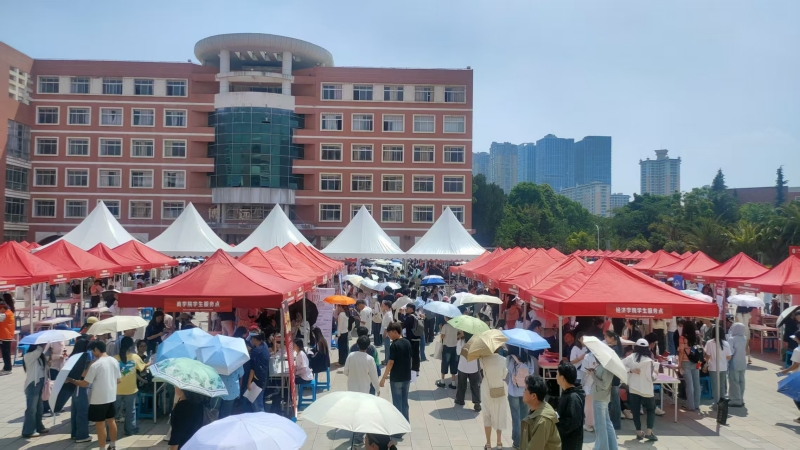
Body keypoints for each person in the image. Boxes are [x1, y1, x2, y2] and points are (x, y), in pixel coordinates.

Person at [66, 340, 121, 450]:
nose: (92, 353)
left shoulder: (95, 365)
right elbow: (119, 380)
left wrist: (71, 380)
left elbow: (84, 383)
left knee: (100, 425)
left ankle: (102, 448)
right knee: (111, 421)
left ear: (96, 349)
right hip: (111, 397)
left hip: (98, 399)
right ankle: (113, 445)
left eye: (92, 351)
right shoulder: (114, 360)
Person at [622, 339, 658, 441]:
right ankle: (649, 432)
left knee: (636, 411)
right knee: (651, 410)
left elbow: (620, 364)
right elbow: (651, 377)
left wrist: (630, 370)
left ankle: (638, 432)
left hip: (634, 388)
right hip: (646, 389)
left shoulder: (631, 357)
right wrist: (656, 373)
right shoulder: (649, 360)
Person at [114, 336, 148, 436]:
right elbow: (142, 367)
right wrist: (149, 363)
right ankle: (130, 430)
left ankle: (110, 432)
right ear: (131, 346)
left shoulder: (115, 358)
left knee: (113, 412)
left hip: (116, 389)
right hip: (130, 389)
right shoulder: (134, 357)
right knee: (130, 411)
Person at [380, 322, 412, 424]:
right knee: (404, 402)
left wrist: (384, 377)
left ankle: (398, 425)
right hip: (406, 377)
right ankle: (406, 422)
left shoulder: (394, 345)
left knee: (397, 402)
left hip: (396, 378)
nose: (389, 336)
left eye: (389, 334)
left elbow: (390, 362)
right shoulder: (407, 342)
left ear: (395, 332)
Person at [479, 347, 509, 450]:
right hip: (499, 389)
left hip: (486, 389)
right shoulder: (503, 360)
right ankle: (499, 442)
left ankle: (488, 443)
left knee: (487, 415)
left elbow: (481, 371)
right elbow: (504, 375)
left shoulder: (483, 359)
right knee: (499, 414)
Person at [520, 374, 561, 450]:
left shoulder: (543, 420)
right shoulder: (536, 409)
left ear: (533, 396)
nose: (523, 393)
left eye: (525, 390)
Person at [507, 345, 536, 449]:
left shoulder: (510, 358)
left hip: (513, 391)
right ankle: (524, 441)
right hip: (525, 392)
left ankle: (517, 443)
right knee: (524, 418)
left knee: (516, 418)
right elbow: (531, 373)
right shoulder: (529, 358)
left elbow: (509, 371)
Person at [587, 360, 618, 450]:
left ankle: (602, 447)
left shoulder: (606, 367)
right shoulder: (603, 366)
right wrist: (594, 372)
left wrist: (593, 375)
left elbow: (604, 385)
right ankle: (612, 447)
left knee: (600, 426)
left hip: (600, 398)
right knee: (606, 424)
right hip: (601, 397)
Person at [555, 361, 585, 450]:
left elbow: (573, 422)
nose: (556, 376)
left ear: (562, 378)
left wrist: (556, 425)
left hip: (571, 443)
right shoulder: (567, 393)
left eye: (557, 374)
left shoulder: (573, 397)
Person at [22, 344, 49, 438]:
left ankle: (39, 427)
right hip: (33, 384)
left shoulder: (40, 356)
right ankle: (28, 431)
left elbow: (45, 369)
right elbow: (37, 352)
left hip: (40, 382)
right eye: (42, 345)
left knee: (39, 407)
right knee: (31, 408)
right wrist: (42, 346)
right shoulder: (28, 356)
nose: (44, 346)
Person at [69, 336, 92, 443]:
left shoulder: (72, 356)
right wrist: (90, 365)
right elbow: (83, 374)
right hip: (81, 385)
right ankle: (82, 435)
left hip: (73, 385)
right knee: (82, 411)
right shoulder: (85, 357)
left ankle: (75, 433)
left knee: (75, 410)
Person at [569, 332, 593, 432]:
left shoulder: (589, 349)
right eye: (582, 338)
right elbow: (571, 361)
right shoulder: (575, 348)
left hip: (587, 377)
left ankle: (586, 419)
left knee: (586, 400)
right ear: (578, 339)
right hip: (578, 375)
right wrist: (581, 358)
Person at [677, 319, 701, 412]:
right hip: (696, 362)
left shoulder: (682, 338)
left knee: (689, 384)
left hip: (685, 362)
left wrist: (679, 364)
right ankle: (696, 404)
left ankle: (690, 405)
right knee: (696, 384)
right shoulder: (697, 337)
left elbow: (681, 351)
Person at [704, 326, 731, 404]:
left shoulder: (709, 343)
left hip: (713, 367)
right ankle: (722, 403)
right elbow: (729, 356)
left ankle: (716, 403)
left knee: (715, 387)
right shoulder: (726, 343)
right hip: (723, 367)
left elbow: (707, 356)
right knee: (722, 386)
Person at [455, 332, 481, 411]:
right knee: (474, 385)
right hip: (473, 367)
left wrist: (458, 340)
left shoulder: (461, 342)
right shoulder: (476, 343)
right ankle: (477, 403)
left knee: (462, 384)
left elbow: (458, 352)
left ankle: (460, 400)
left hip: (463, 367)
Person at [777, 333, 800, 423]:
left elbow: (795, 365)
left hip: (798, 376)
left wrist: (785, 371)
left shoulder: (797, 350)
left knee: (796, 397)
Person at [604, 330, 624, 429]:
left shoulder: (615, 349)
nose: (605, 339)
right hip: (615, 377)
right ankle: (615, 423)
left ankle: (615, 423)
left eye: (606, 337)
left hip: (613, 378)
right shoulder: (616, 348)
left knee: (615, 401)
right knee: (614, 401)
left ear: (612, 338)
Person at [246, 333, 270, 412]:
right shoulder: (264, 345)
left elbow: (252, 369)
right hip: (264, 378)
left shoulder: (255, 353)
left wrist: (249, 383)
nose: (251, 341)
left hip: (257, 380)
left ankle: (260, 418)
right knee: (258, 401)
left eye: (252, 339)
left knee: (256, 403)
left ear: (255, 340)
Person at [728, 322, 748, 407]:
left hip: (734, 362)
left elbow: (730, 352)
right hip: (743, 363)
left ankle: (735, 400)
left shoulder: (731, 339)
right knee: (741, 381)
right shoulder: (744, 338)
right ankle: (741, 398)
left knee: (734, 381)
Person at [437, 316, 459, 389]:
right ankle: (453, 382)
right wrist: (455, 337)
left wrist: (441, 329)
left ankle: (442, 381)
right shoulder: (456, 326)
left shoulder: (445, 326)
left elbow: (442, 336)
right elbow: (460, 334)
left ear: (447, 318)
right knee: (453, 364)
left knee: (445, 363)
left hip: (447, 347)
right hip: (454, 347)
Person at [403, 304, 421, 373]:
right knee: (416, 355)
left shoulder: (410, 317)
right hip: (417, 337)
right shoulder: (417, 315)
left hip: (410, 338)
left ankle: (409, 370)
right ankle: (416, 370)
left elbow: (404, 325)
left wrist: (401, 315)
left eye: (407, 308)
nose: (406, 309)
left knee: (409, 355)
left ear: (411, 308)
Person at [0, 301, 14, 375]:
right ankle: (6, 367)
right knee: (5, 353)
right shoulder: (9, 312)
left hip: (5, 336)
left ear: (3, 308)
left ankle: (8, 369)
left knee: (6, 354)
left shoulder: (5, 314)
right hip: (6, 336)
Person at [380, 300, 394, 365]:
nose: (382, 307)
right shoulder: (388, 312)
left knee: (387, 347)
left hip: (387, 332)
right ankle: (386, 359)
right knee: (386, 346)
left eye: (383, 305)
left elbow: (388, 324)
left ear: (386, 306)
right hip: (386, 331)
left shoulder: (388, 314)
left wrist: (385, 332)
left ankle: (387, 360)